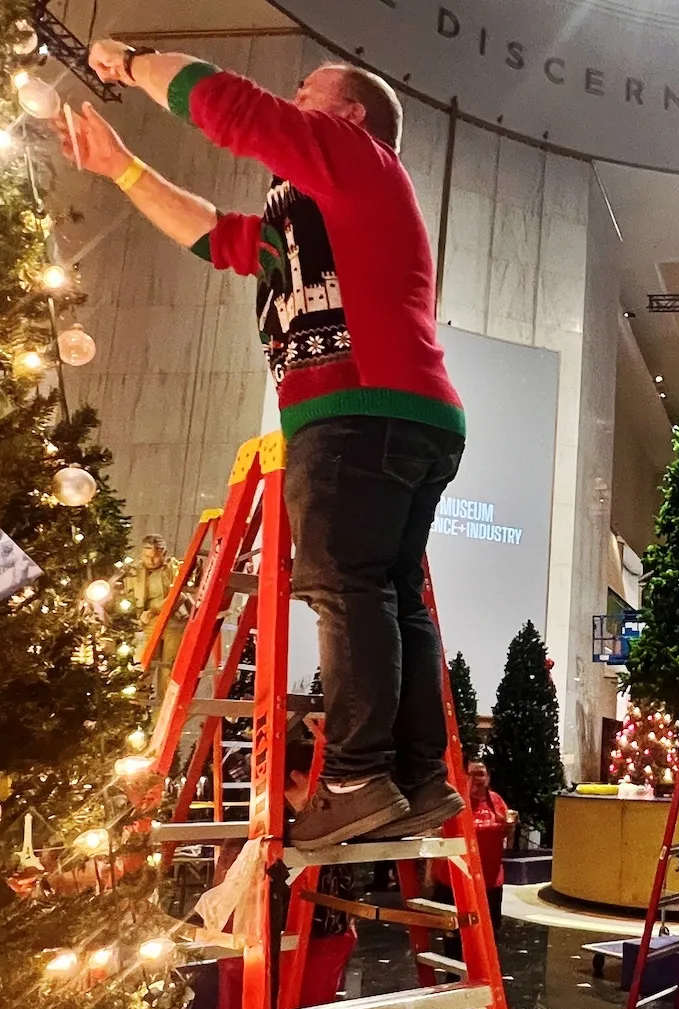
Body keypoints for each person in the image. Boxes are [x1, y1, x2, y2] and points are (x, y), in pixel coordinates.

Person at [56, 41, 465, 850]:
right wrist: (123, 170)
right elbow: (215, 236)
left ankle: (354, 778)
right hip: (409, 413)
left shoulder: (355, 159)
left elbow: (235, 110)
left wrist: (134, 61)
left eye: (308, 89)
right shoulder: (313, 212)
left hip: (358, 409)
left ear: (350, 115)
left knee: (344, 586)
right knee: (387, 592)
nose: (293, 94)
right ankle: (417, 779)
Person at [209, 718, 355, 1009]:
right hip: (264, 939)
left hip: (321, 940)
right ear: (295, 777)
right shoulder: (261, 825)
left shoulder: (319, 815)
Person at [120, 534, 184, 696]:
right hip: (146, 623)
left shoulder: (173, 569)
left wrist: (155, 610)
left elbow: (180, 595)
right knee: (142, 666)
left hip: (172, 621)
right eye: (147, 556)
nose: (151, 560)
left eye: (156, 556)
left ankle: (165, 709)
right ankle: (137, 707)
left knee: (170, 668)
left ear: (164, 553)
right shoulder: (134, 573)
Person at [466, 759, 514, 929]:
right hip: (464, 878)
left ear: (488, 777)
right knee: (462, 931)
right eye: (471, 774)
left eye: (480, 774)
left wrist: (509, 826)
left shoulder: (496, 800)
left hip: (491, 878)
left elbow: (505, 833)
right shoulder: (458, 802)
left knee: (490, 928)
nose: (476, 779)